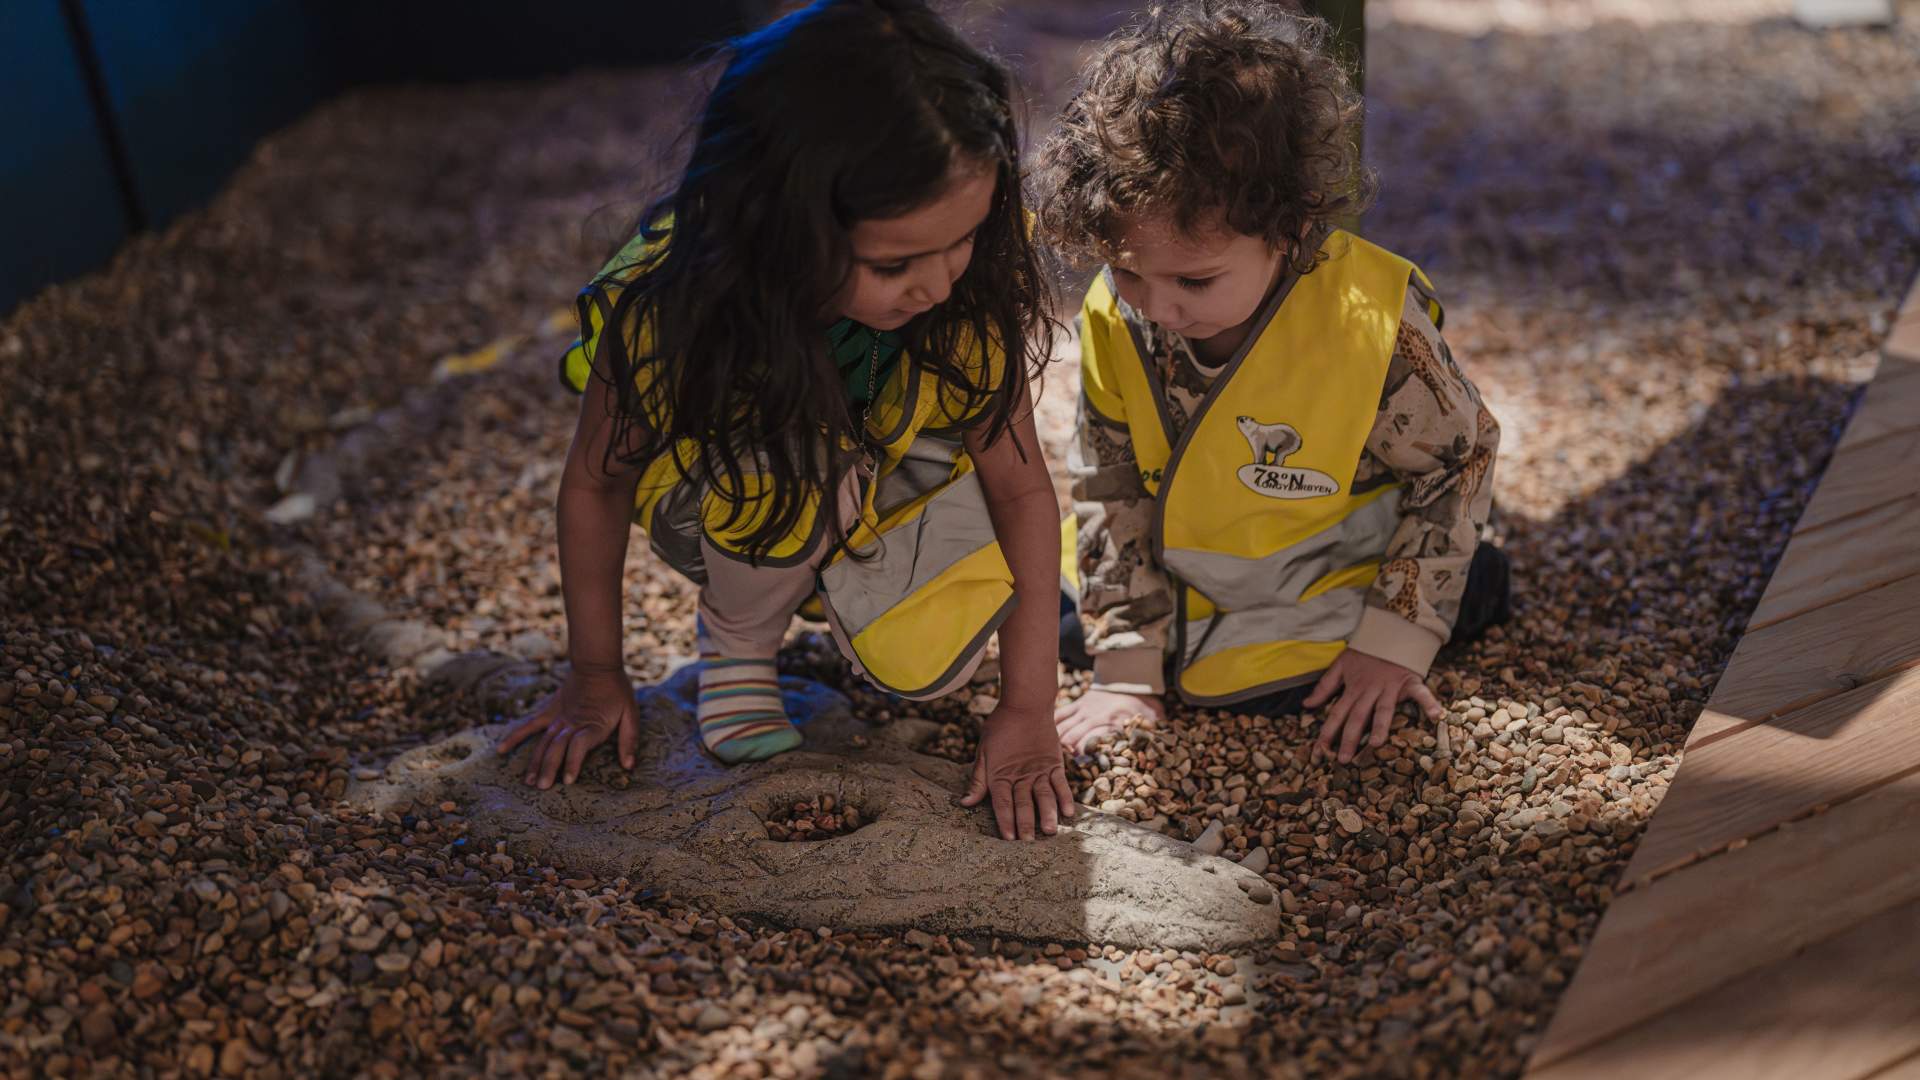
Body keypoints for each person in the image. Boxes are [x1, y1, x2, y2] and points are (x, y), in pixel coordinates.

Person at [499, 0, 1075, 842]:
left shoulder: (963, 289)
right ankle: (739, 637)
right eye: (895, 264)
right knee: (779, 459)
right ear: (776, 223)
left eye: (964, 239)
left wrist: (1029, 704)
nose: (940, 284)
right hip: (738, 491)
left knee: (925, 670)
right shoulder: (672, 314)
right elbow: (596, 481)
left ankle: (847, 583)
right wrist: (594, 674)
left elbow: (1021, 489)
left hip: (882, 475)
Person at [1036, 0, 1511, 764]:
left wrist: (1397, 640)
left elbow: (1460, 462)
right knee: (1057, 627)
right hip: (1187, 575)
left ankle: (1474, 582)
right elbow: (1109, 481)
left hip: (1331, 573)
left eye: (1195, 280)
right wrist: (1123, 667)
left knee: (1332, 669)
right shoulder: (1113, 313)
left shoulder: (1369, 321)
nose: (1158, 306)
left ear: (1289, 231)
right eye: (1126, 269)